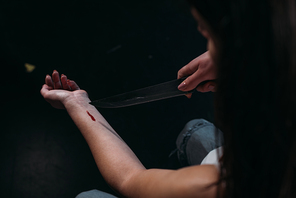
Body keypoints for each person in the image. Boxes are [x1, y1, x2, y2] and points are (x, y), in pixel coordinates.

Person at [41, 0, 296, 197]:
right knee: (195, 132)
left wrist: (78, 104)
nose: (200, 30)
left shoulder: (221, 185)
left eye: (208, 33)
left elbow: (129, 179)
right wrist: (234, 59)